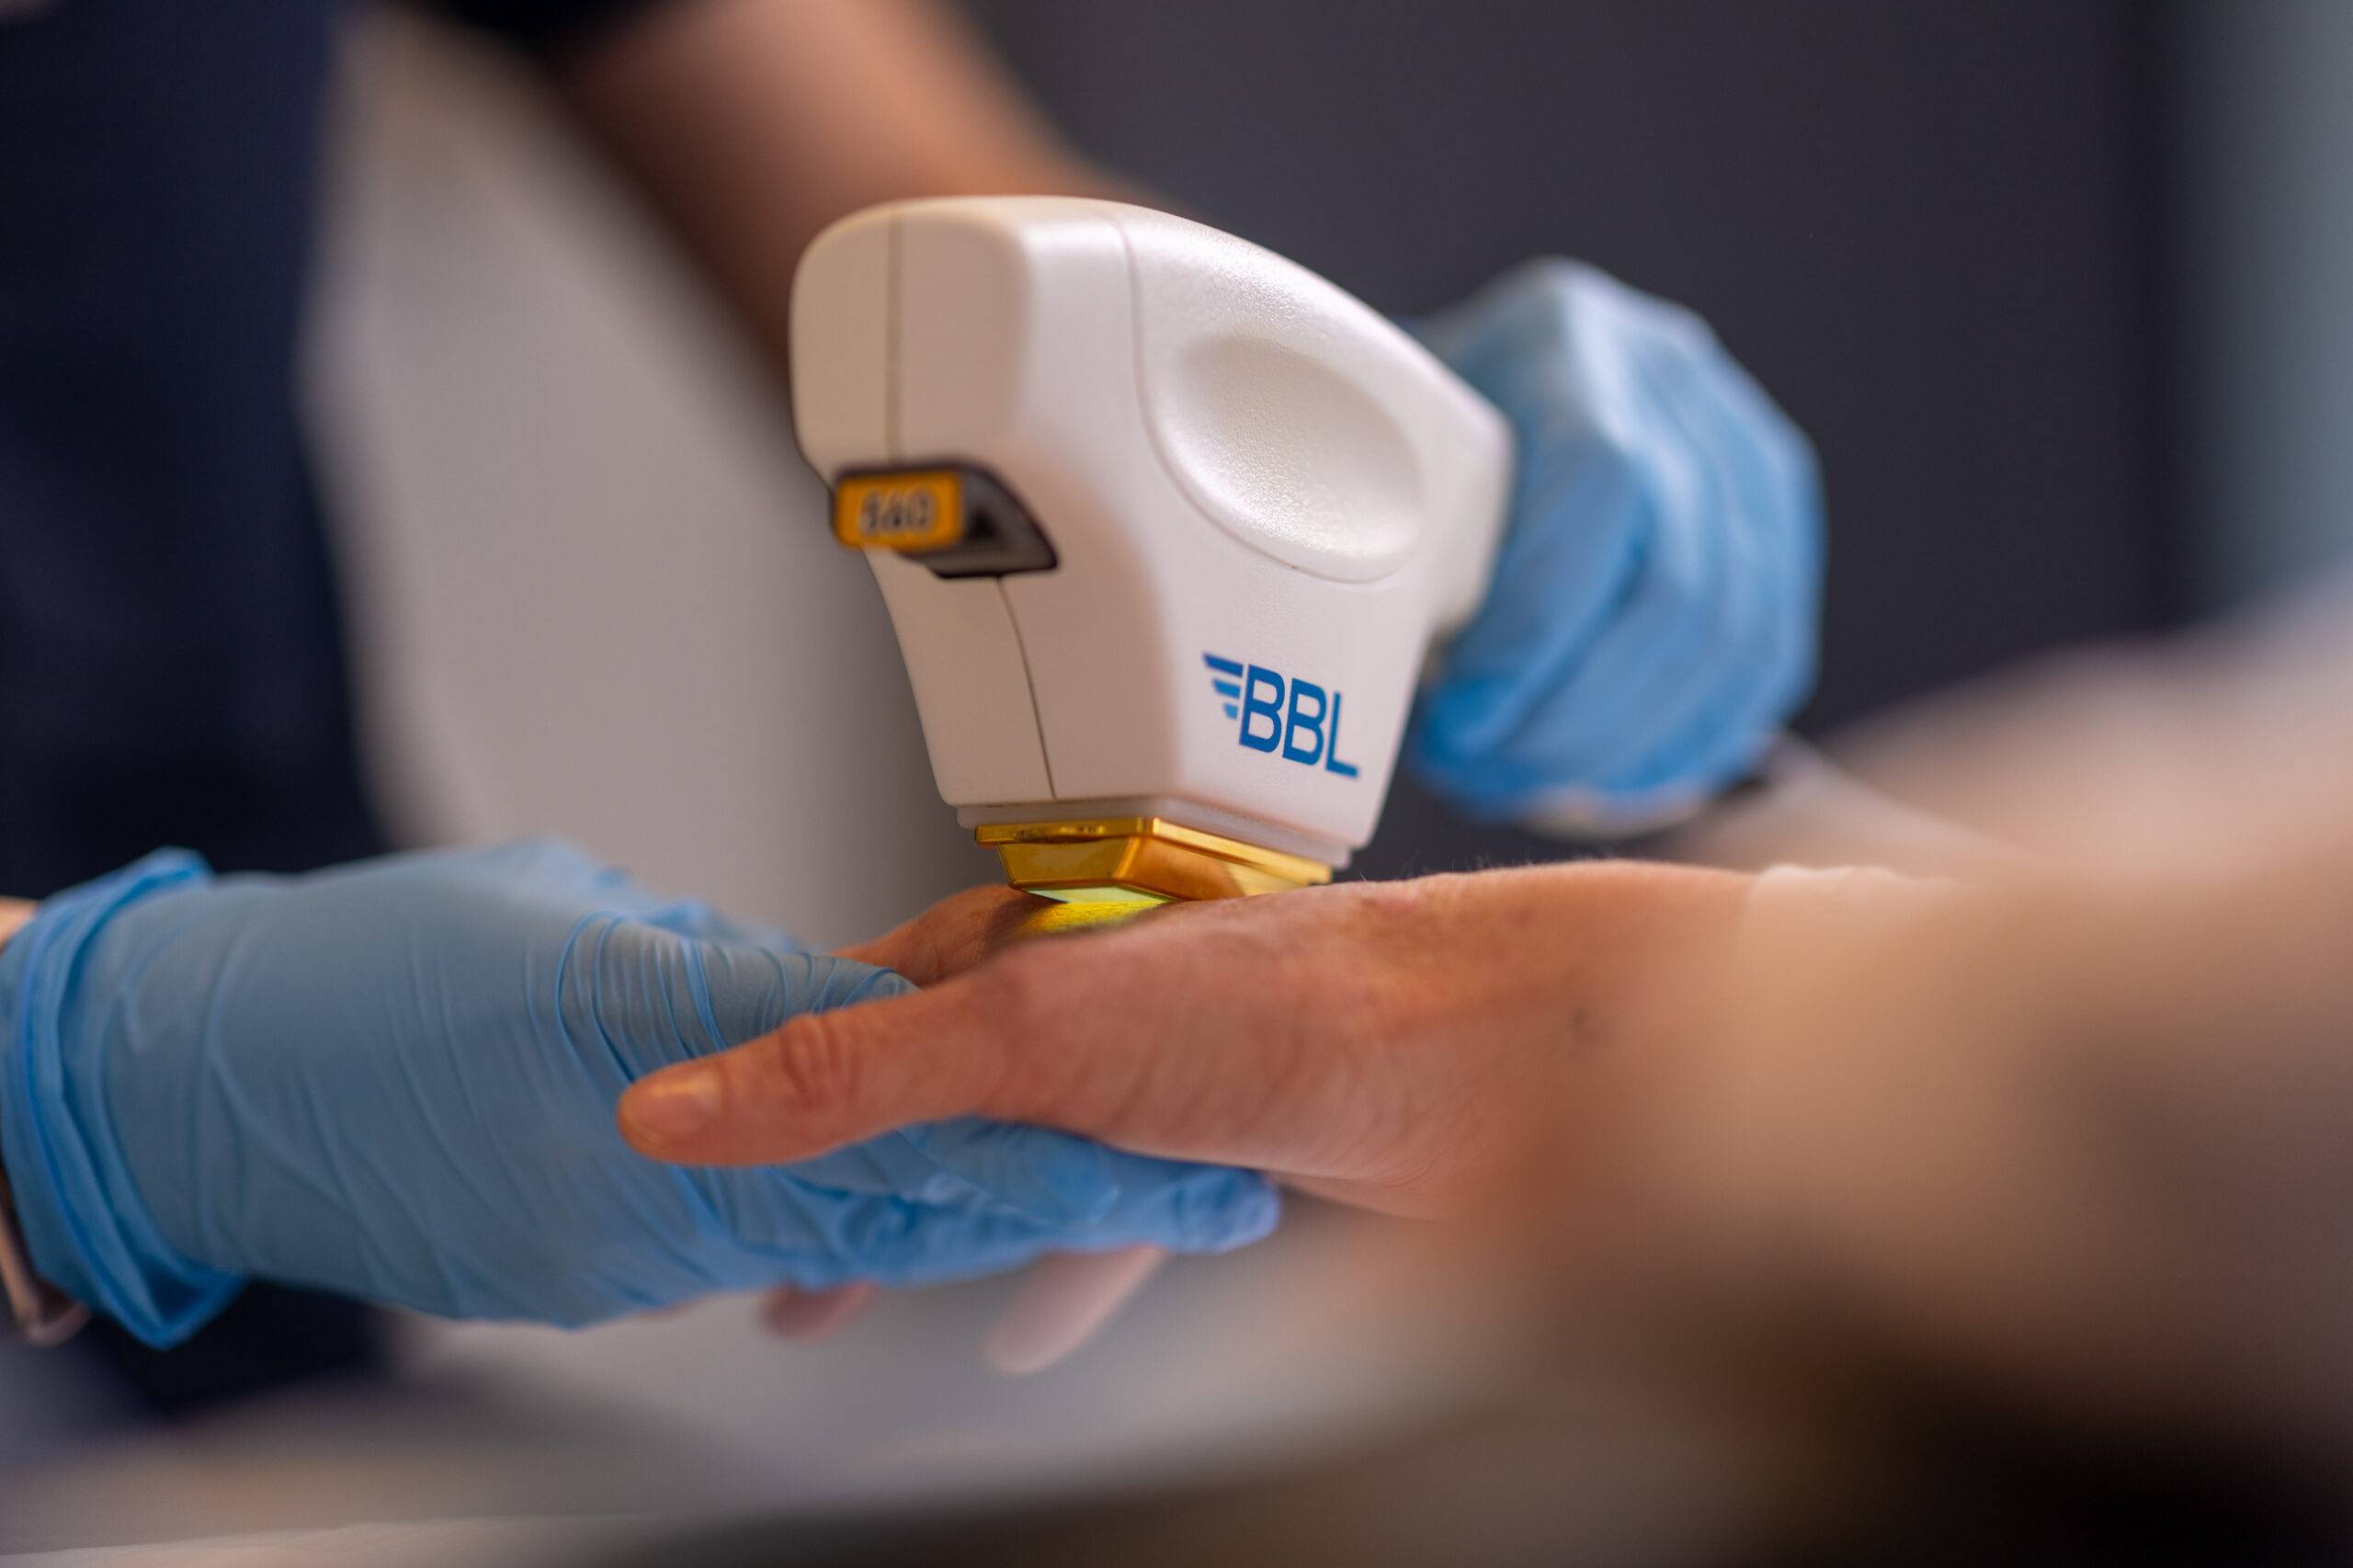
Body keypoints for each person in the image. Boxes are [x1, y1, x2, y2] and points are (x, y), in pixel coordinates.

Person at [0, 0, 1819, 1372]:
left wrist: (1348, 476)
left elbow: (931, 265)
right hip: (204, 1090)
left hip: (248, 1317)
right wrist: (70, 1072)